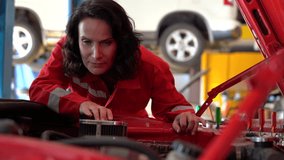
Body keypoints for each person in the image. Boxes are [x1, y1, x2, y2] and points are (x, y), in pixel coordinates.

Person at [29, 0, 205, 135]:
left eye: (106, 43)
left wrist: (184, 117)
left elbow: (174, 106)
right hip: (79, 135)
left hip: (132, 138)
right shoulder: (67, 49)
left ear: (121, 42)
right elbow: (39, 87)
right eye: (87, 42)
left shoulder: (151, 66)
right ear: (77, 40)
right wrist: (79, 105)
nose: (96, 54)